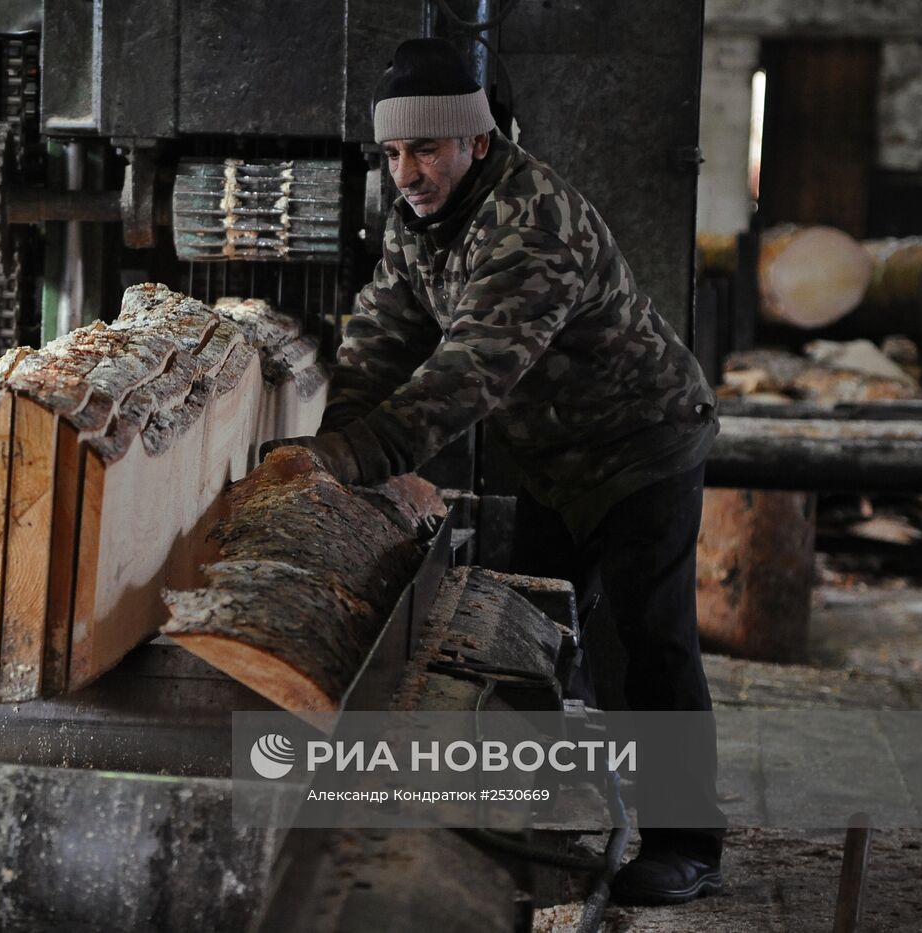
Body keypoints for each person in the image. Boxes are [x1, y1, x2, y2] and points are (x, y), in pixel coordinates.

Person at [261, 38, 725, 905]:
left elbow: (468, 370)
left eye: (426, 149)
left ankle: (688, 843)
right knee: (541, 634)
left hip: (641, 444)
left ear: (476, 141)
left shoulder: (530, 222)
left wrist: (351, 456)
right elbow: (384, 336)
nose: (408, 172)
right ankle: (547, 807)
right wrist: (331, 438)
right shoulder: (421, 215)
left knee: (646, 643)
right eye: (394, 153)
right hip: (552, 452)